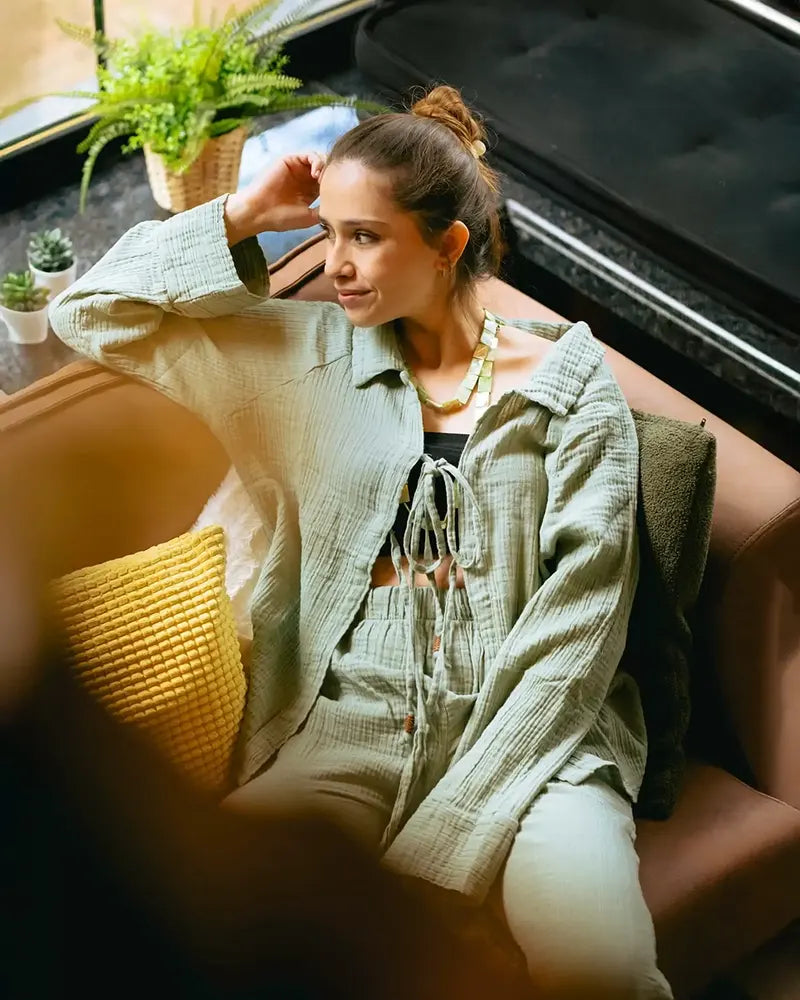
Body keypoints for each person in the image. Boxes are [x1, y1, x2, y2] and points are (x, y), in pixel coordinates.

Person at [48, 85, 673, 999]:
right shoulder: (301, 360)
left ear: (448, 245)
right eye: (326, 231)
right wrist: (245, 213)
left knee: (605, 969)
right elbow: (91, 315)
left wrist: (441, 839)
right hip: (344, 720)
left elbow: (581, 623)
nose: (333, 264)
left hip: (539, 737)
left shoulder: (572, 385)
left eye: (364, 237)